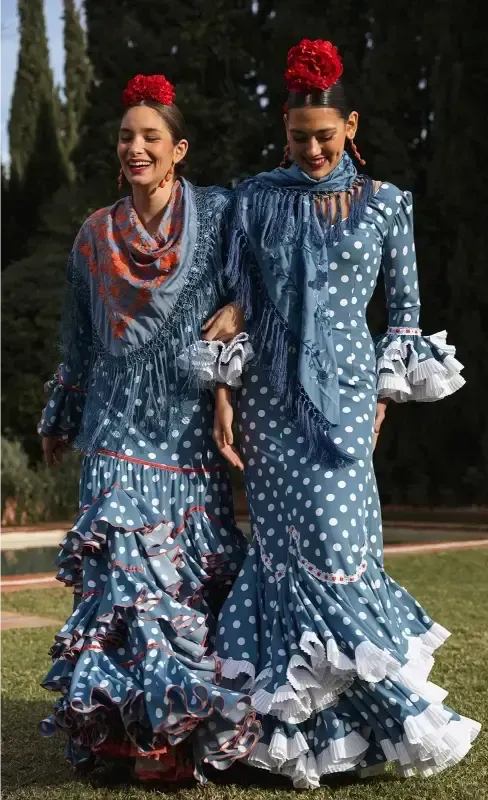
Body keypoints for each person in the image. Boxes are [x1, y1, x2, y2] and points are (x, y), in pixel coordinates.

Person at [212, 40, 480, 788]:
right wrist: (224, 393)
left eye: (325, 136)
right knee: (279, 556)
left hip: (346, 399)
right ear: (285, 128)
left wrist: (385, 398)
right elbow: (237, 300)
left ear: (350, 125)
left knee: (339, 550)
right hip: (268, 399)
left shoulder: (388, 204)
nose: (313, 149)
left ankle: (384, 721)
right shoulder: (254, 199)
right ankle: (295, 743)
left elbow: (405, 314)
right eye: (300, 136)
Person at [38, 74, 260, 784]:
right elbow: (78, 339)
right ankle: (122, 735)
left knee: (185, 581)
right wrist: (60, 413)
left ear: (178, 149)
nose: (136, 147)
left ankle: (177, 736)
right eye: (126, 137)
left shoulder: (220, 214)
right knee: (122, 585)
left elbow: (261, 279)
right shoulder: (93, 235)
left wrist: (238, 311)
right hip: (113, 429)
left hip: (190, 428)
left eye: (151, 137)